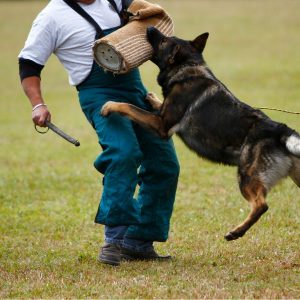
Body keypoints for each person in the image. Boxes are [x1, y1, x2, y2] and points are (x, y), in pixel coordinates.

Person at [18, 0, 180, 266]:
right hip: (98, 95)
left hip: (135, 89)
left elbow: (143, 18)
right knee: (123, 152)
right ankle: (114, 240)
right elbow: (28, 64)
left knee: (164, 163)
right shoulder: (51, 17)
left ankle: (138, 241)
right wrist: (38, 104)